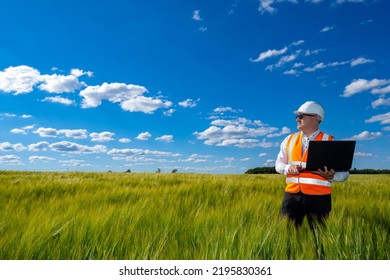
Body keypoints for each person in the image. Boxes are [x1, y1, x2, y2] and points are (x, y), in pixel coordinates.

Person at [275, 101, 349, 229]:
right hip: (292, 197)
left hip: (319, 199)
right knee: (286, 236)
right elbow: (278, 165)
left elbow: (345, 173)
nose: (297, 119)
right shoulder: (289, 140)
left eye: (301, 116)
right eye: (297, 116)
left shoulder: (330, 141)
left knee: (318, 240)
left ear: (315, 118)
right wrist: (288, 168)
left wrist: (332, 176)